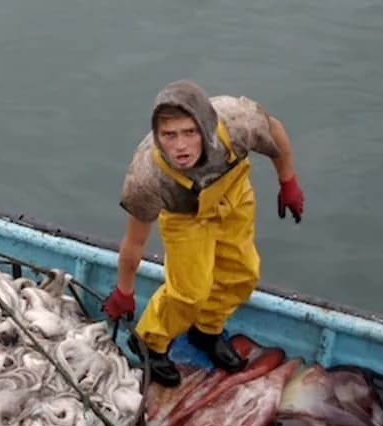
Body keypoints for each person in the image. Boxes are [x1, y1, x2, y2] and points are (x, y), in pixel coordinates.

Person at [103, 80, 305, 387]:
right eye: (169, 135)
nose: (180, 146)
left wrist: (288, 182)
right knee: (189, 293)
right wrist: (124, 291)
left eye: (190, 132)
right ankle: (150, 342)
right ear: (157, 136)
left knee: (242, 275)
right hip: (185, 218)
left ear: (206, 128)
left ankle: (206, 330)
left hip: (233, 197)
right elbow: (135, 241)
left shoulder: (238, 123)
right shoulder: (146, 179)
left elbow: (275, 130)